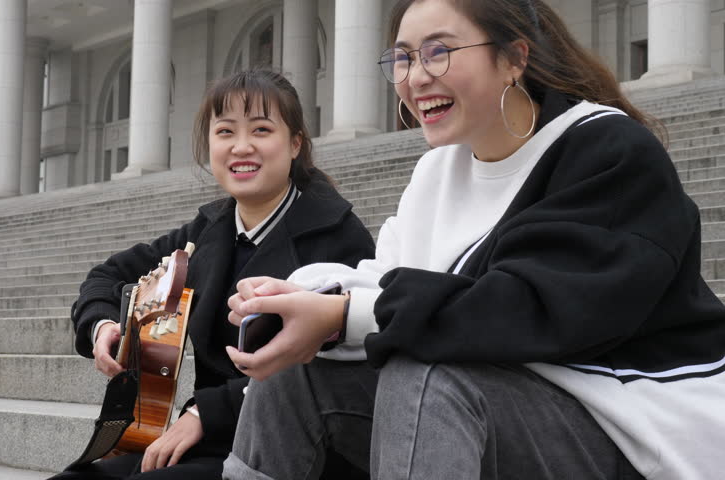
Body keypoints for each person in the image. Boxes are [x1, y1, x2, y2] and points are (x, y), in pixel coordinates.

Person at [222, 1, 725, 479]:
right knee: (297, 372)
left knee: (426, 372)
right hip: (499, 411)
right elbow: (387, 278)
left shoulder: (606, 151)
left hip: (632, 432)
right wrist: (307, 299)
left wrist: (342, 314)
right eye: (403, 58)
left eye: (439, 51)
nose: (417, 77)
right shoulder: (438, 170)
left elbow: (523, 311)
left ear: (513, 58)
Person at [49, 69, 375, 480]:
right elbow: (105, 275)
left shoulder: (338, 234)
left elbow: (334, 369)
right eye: (225, 132)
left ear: (295, 144)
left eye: (261, 129)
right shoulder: (207, 232)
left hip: (290, 448)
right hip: (206, 437)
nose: (242, 147)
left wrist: (208, 411)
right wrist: (101, 326)